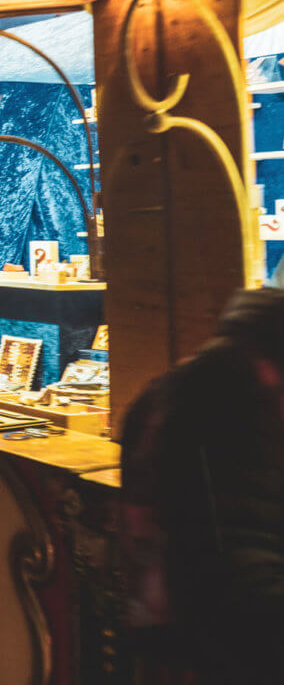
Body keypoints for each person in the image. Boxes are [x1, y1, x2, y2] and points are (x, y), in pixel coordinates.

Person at [122, 287, 284, 684]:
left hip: (188, 622)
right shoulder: (233, 410)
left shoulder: (173, 390)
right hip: (231, 636)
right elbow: (237, 555)